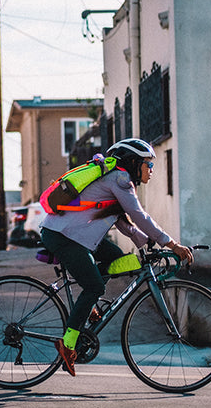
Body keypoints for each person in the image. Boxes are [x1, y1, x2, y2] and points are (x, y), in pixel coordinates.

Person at [39, 138, 194, 376]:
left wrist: (147, 241)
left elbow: (126, 223)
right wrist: (172, 244)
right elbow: (139, 215)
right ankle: (68, 345)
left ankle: (88, 306)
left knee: (117, 259)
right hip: (64, 236)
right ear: (133, 162)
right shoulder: (120, 179)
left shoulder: (116, 180)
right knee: (94, 287)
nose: (150, 170)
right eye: (147, 164)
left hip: (72, 234)